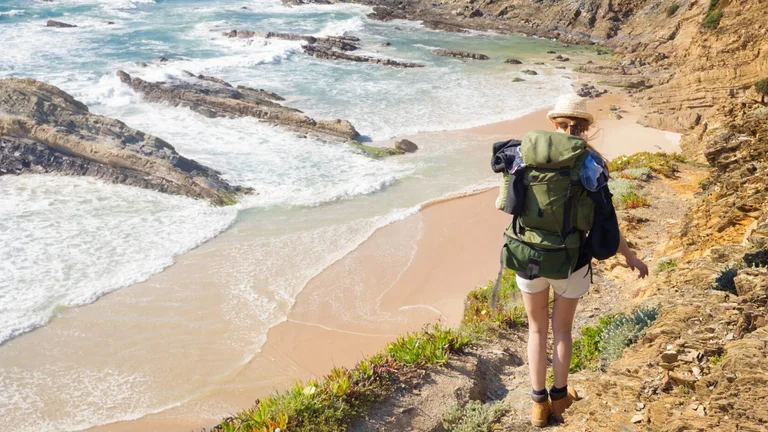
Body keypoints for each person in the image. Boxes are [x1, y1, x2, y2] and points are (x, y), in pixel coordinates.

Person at [494, 94, 649, 427]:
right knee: (562, 330)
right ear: (584, 129)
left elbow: (506, 203)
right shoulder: (591, 165)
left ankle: (538, 406)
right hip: (570, 260)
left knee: (536, 329)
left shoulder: (523, 154)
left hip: (527, 255)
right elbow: (606, 220)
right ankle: (560, 397)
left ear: (554, 124)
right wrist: (630, 257)